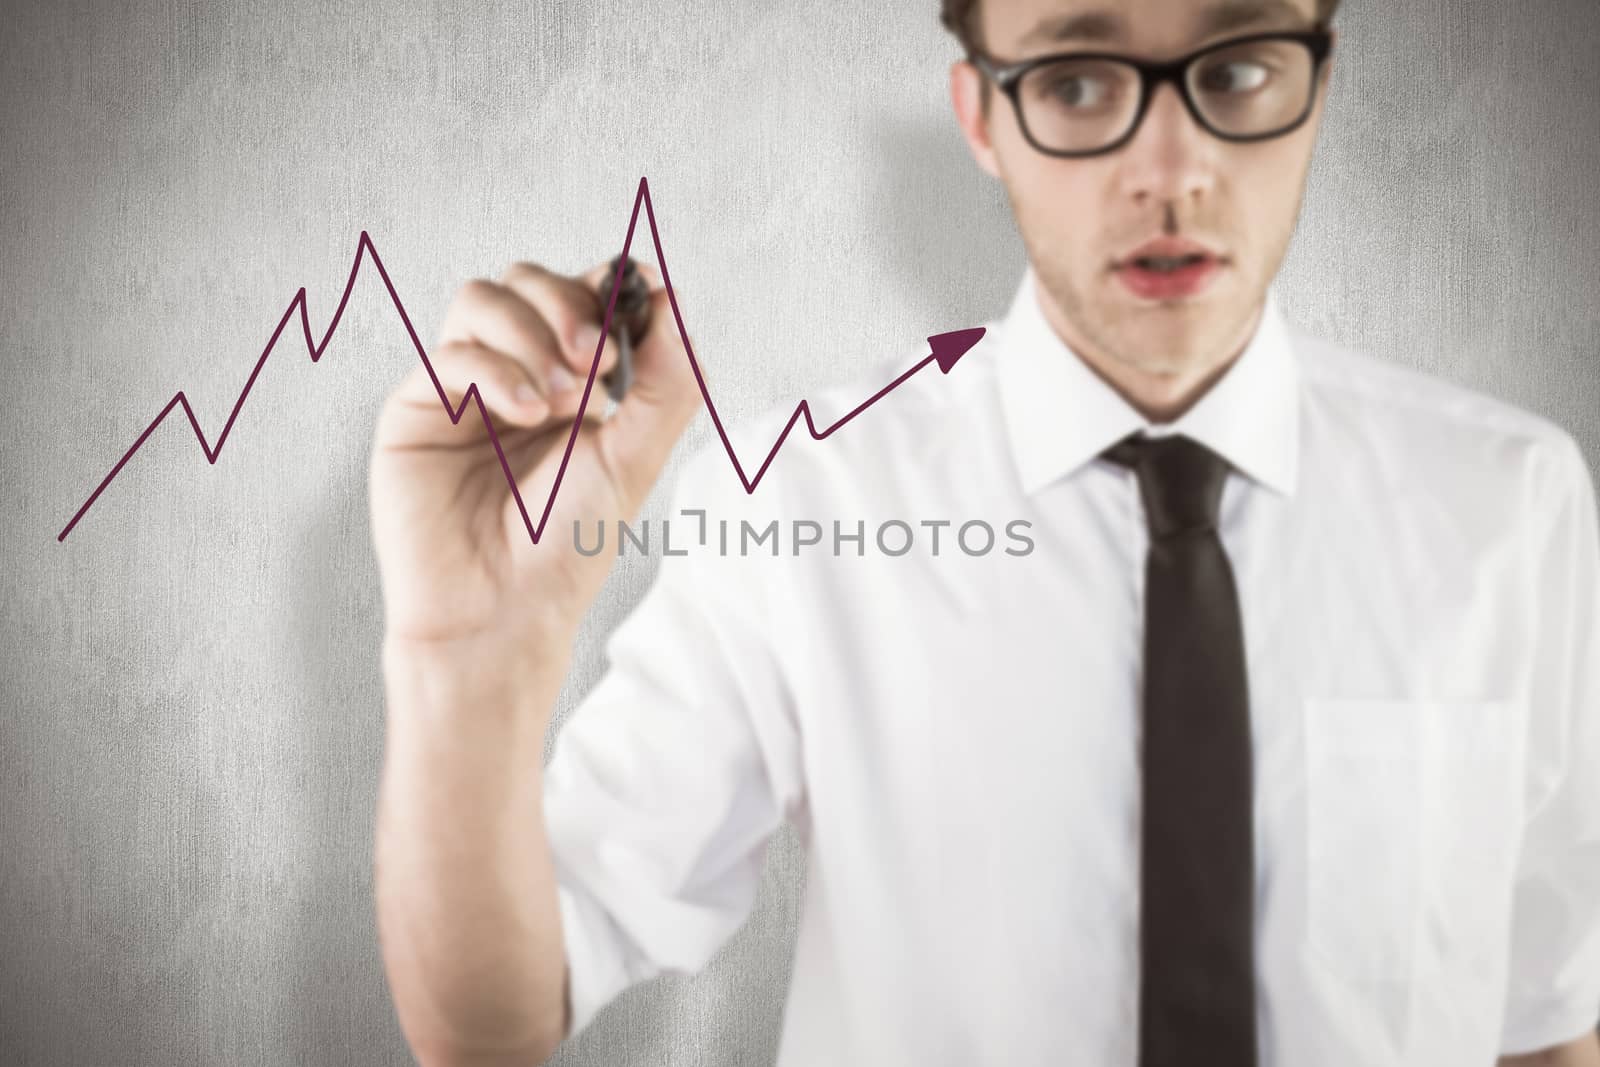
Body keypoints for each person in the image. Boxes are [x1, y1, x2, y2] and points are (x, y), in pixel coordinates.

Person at [367, 0, 1600, 1064]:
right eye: (1073, 80)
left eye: (1232, 69)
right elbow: (493, 1018)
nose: (1169, 168)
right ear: (979, 117)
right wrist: (464, 657)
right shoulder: (802, 506)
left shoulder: (1509, 504)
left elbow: (1542, 1020)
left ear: (1319, 83)